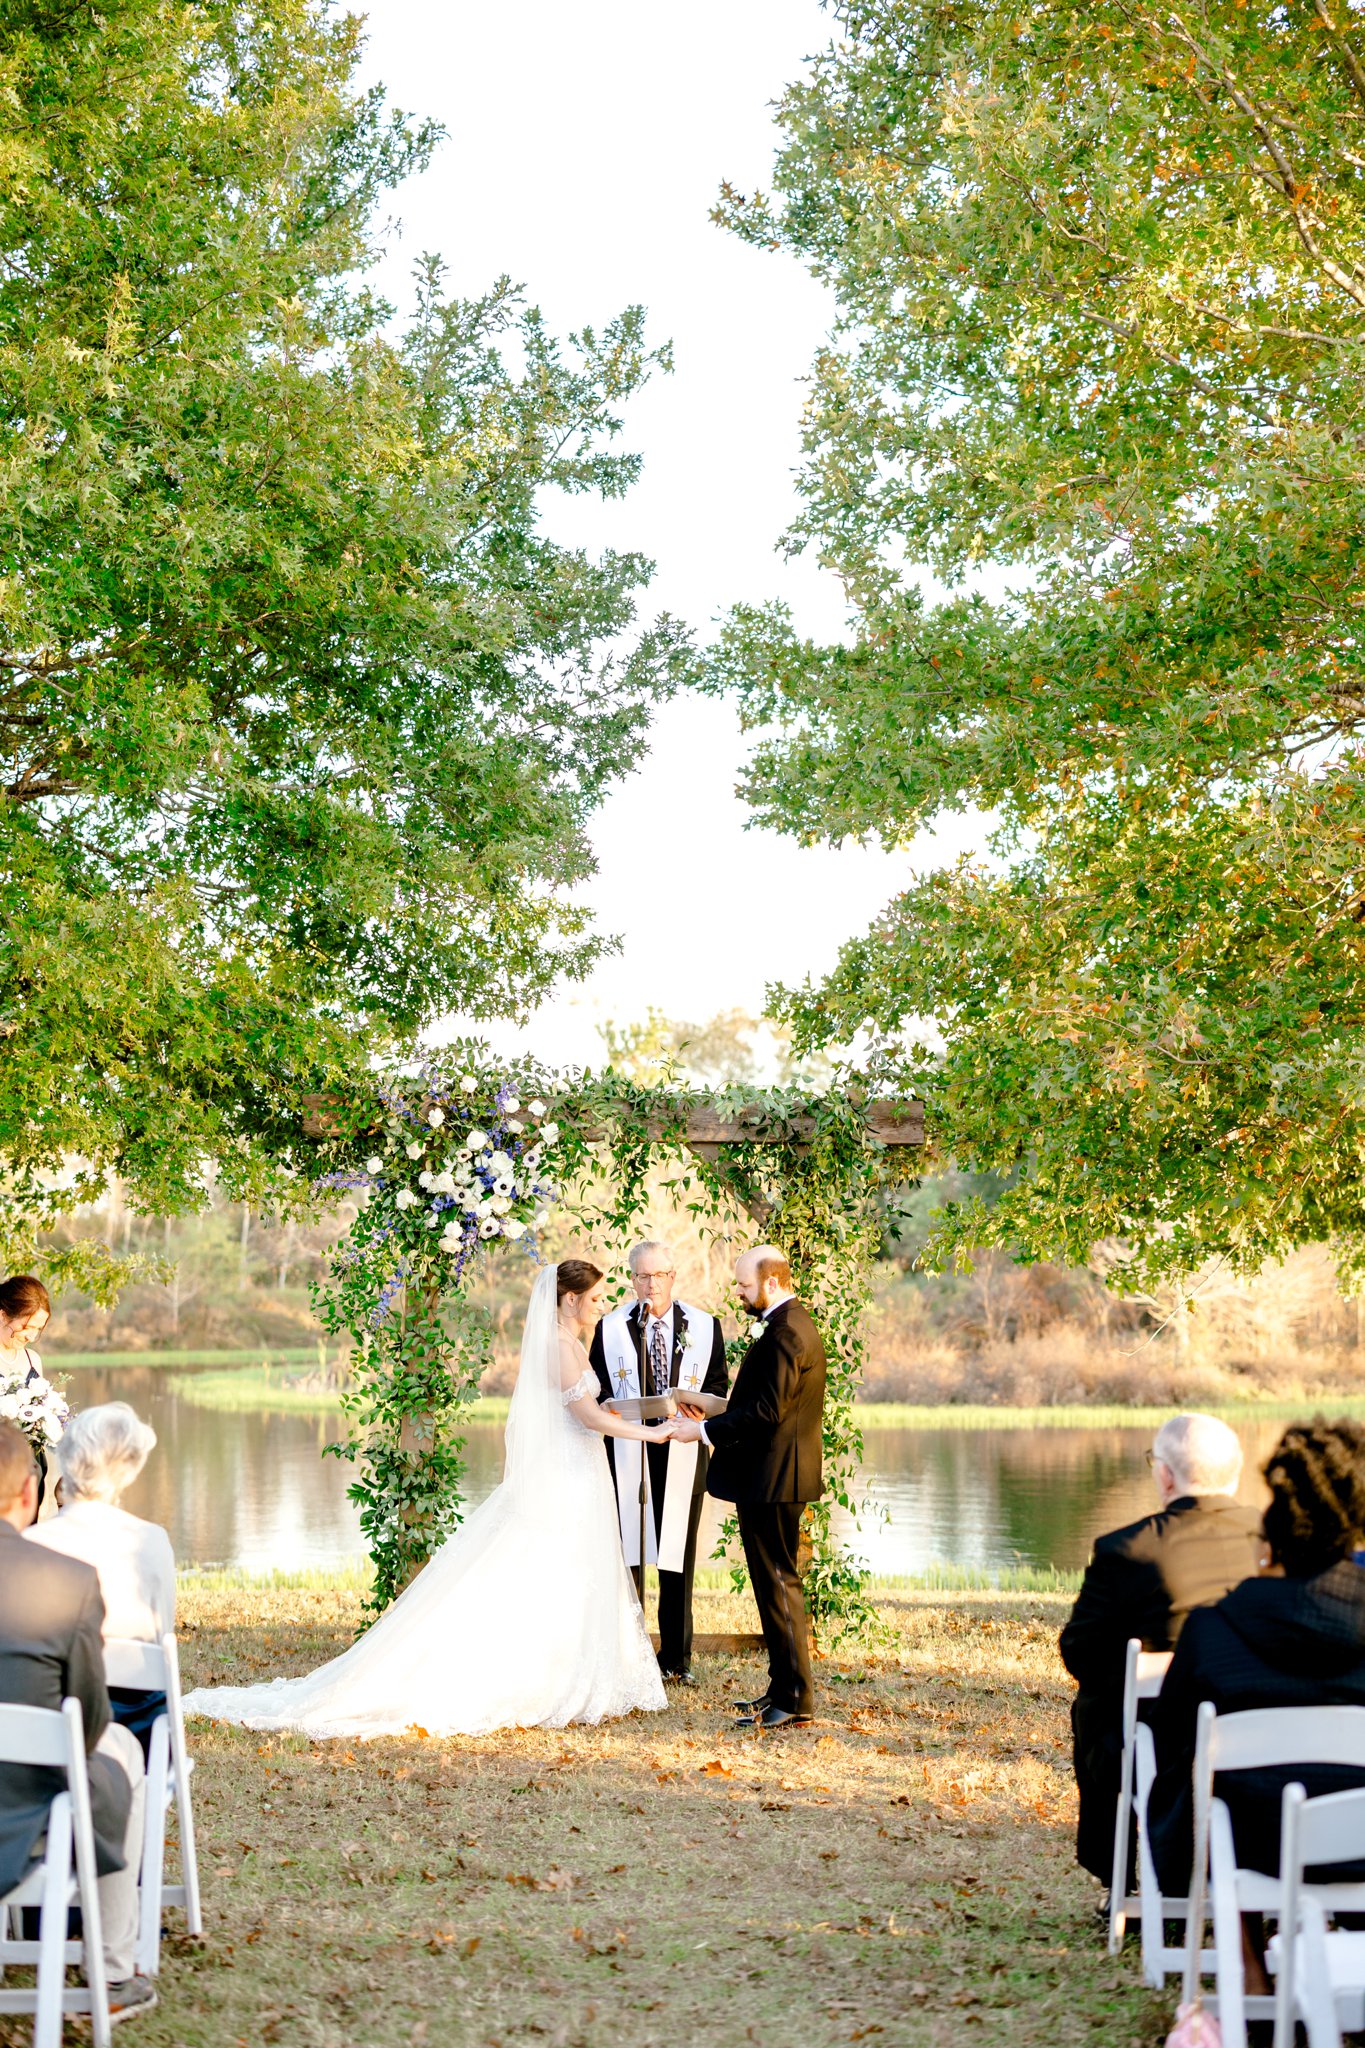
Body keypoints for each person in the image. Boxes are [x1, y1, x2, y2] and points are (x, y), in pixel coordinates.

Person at [181, 1261, 675, 1738]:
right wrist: (648, 1435)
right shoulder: (559, 1345)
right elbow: (586, 1419)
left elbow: (580, 1407)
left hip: (579, 1470)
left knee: (576, 1568)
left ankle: (577, 1664)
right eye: (594, 1298)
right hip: (568, 1474)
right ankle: (541, 1674)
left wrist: (622, 1409)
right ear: (570, 1299)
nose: (601, 1303)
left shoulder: (573, 1340)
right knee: (550, 1565)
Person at [1148, 1417, 1365, 1907]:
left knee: (1206, 1784)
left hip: (1249, 1846)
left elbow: (1171, 1737)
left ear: (1274, 1539)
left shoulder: (1213, 1629)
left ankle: (1245, 1952)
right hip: (1361, 1839)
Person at [1058, 1411, 1263, 1882]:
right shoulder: (1272, 1539)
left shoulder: (1128, 1548)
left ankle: (1121, 1877)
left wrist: (1133, 1676)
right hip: (1255, 1728)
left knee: (1094, 1706)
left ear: (1166, 1474)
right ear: (1234, 1470)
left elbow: (1080, 1652)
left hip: (1153, 1740)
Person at [0, 1420, 156, 2022]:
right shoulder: (67, 1582)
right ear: (25, 1495)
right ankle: (113, 1970)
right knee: (120, 1751)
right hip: (34, 1799)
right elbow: (89, 1721)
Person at [673, 1244, 826, 1730]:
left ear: (773, 1283)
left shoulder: (787, 1334)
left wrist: (699, 1431)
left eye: (743, 1285)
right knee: (771, 1584)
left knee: (779, 1584)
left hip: (775, 1478)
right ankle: (781, 1688)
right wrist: (713, 1406)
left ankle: (796, 1698)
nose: (738, 1292)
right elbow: (762, 1401)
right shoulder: (786, 1325)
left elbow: (766, 1413)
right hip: (771, 1475)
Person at [589, 1239, 729, 1682]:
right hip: (628, 1450)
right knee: (627, 1555)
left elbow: (719, 1386)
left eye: (661, 1275)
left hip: (683, 1447)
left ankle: (675, 1661)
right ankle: (629, 1656)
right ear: (632, 1279)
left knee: (677, 1557)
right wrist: (613, 1403)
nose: (652, 1284)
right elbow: (596, 1389)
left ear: (674, 1276)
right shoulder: (610, 1328)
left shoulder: (706, 1326)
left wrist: (701, 1407)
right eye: (643, 1276)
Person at [26, 1403, 175, 1761]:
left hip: (46, 1724)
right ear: (127, 1469)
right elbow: (162, 1635)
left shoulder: (31, 1543)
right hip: (140, 1729)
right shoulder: (152, 1540)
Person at [0, 1274, 53, 1511]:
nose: (32, 1337)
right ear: (3, 1315)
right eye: (27, 1327)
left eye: (38, 1329)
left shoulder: (33, 1360)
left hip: (31, 1468)